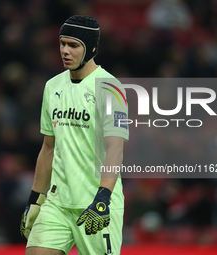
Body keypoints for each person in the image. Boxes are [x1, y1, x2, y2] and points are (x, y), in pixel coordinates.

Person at [20, 15, 129, 255]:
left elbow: (115, 149)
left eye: (73, 45)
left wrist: (103, 197)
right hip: (57, 203)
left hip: (96, 204)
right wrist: (36, 198)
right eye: (62, 43)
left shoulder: (111, 88)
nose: (65, 51)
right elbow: (48, 148)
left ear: (91, 48)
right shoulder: (53, 86)